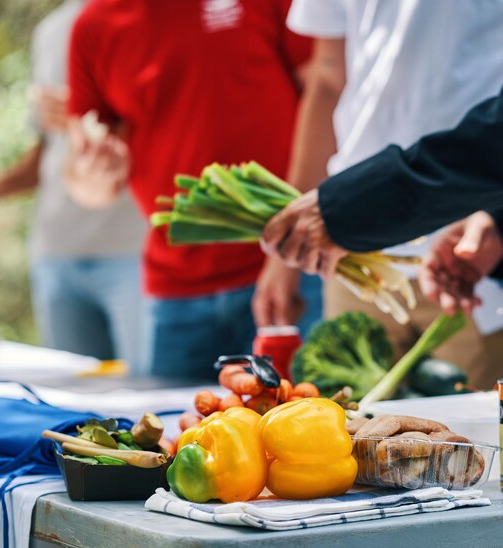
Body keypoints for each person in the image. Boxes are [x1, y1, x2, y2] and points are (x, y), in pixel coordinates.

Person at [65, 0, 315, 379]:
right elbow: (86, 183)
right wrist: (95, 172)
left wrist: (287, 253)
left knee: (306, 427)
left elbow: (324, 91)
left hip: (288, 269)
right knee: (178, 433)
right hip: (174, 292)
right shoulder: (92, 26)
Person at [268, 0, 503, 389]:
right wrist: (287, 247)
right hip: (348, 251)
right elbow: (327, 78)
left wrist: (497, 219)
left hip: (470, 248)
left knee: (476, 440)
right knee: (349, 436)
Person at [0, 0, 147, 368]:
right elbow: (49, 152)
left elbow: (178, 123)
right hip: (56, 255)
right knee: (76, 406)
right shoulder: (50, 31)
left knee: (148, 400)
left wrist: (87, 114)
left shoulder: (150, 17)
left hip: (134, 252)